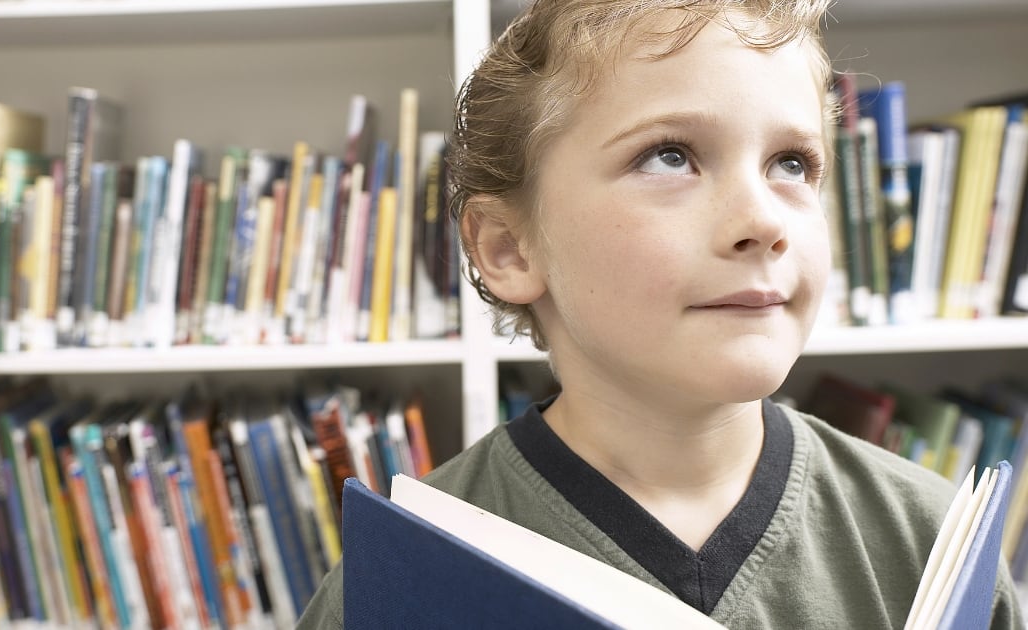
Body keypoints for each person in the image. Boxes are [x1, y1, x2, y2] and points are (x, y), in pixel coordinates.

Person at [298, 0, 1024, 627]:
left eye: (792, 163)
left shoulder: (933, 546)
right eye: (670, 157)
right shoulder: (399, 574)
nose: (762, 220)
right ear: (509, 248)